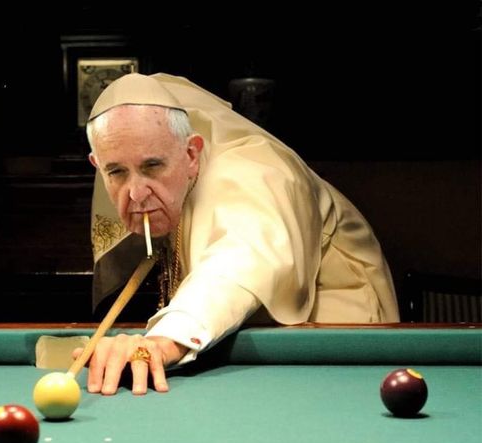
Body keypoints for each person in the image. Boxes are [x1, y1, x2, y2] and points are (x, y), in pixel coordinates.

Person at [73, 72, 399, 396]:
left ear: (191, 154)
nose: (136, 194)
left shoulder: (253, 169)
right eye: (116, 171)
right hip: (259, 339)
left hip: (344, 333)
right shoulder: (173, 181)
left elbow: (243, 257)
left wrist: (163, 341)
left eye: (152, 166)